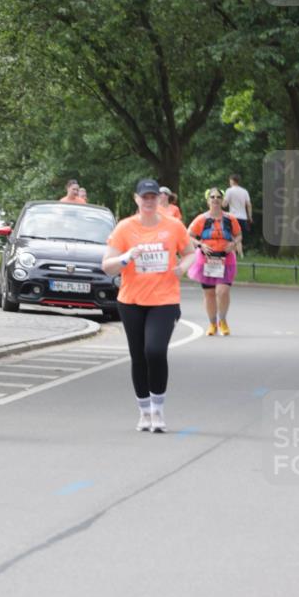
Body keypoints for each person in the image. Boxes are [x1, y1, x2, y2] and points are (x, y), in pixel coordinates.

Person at [102, 178, 194, 433]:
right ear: (137, 199)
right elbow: (106, 266)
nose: (149, 201)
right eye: (145, 197)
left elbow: (189, 252)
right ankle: (144, 412)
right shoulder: (124, 228)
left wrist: (183, 268)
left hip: (164, 299)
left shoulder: (173, 226)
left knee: (155, 351)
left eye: (153, 197)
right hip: (131, 301)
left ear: (159, 199)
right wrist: (125, 258)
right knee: (139, 356)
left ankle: (158, 409)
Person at [187, 188, 241, 337]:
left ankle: (222, 321)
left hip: (226, 259)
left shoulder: (230, 219)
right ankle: (212, 324)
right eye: (212, 197)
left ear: (222, 200)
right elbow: (188, 235)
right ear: (208, 200)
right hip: (206, 260)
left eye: (218, 197)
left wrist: (234, 243)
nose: (215, 199)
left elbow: (239, 235)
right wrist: (200, 244)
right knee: (210, 294)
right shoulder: (201, 219)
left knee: (222, 291)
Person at [222, 174, 252, 257]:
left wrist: (220, 200)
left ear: (232, 181)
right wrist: (250, 216)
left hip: (233, 217)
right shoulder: (244, 191)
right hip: (243, 217)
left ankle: (234, 254)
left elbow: (224, 204)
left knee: (232, 236)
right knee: (239, 236)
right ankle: (241, 255)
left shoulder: (229, 191)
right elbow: (249, 204)